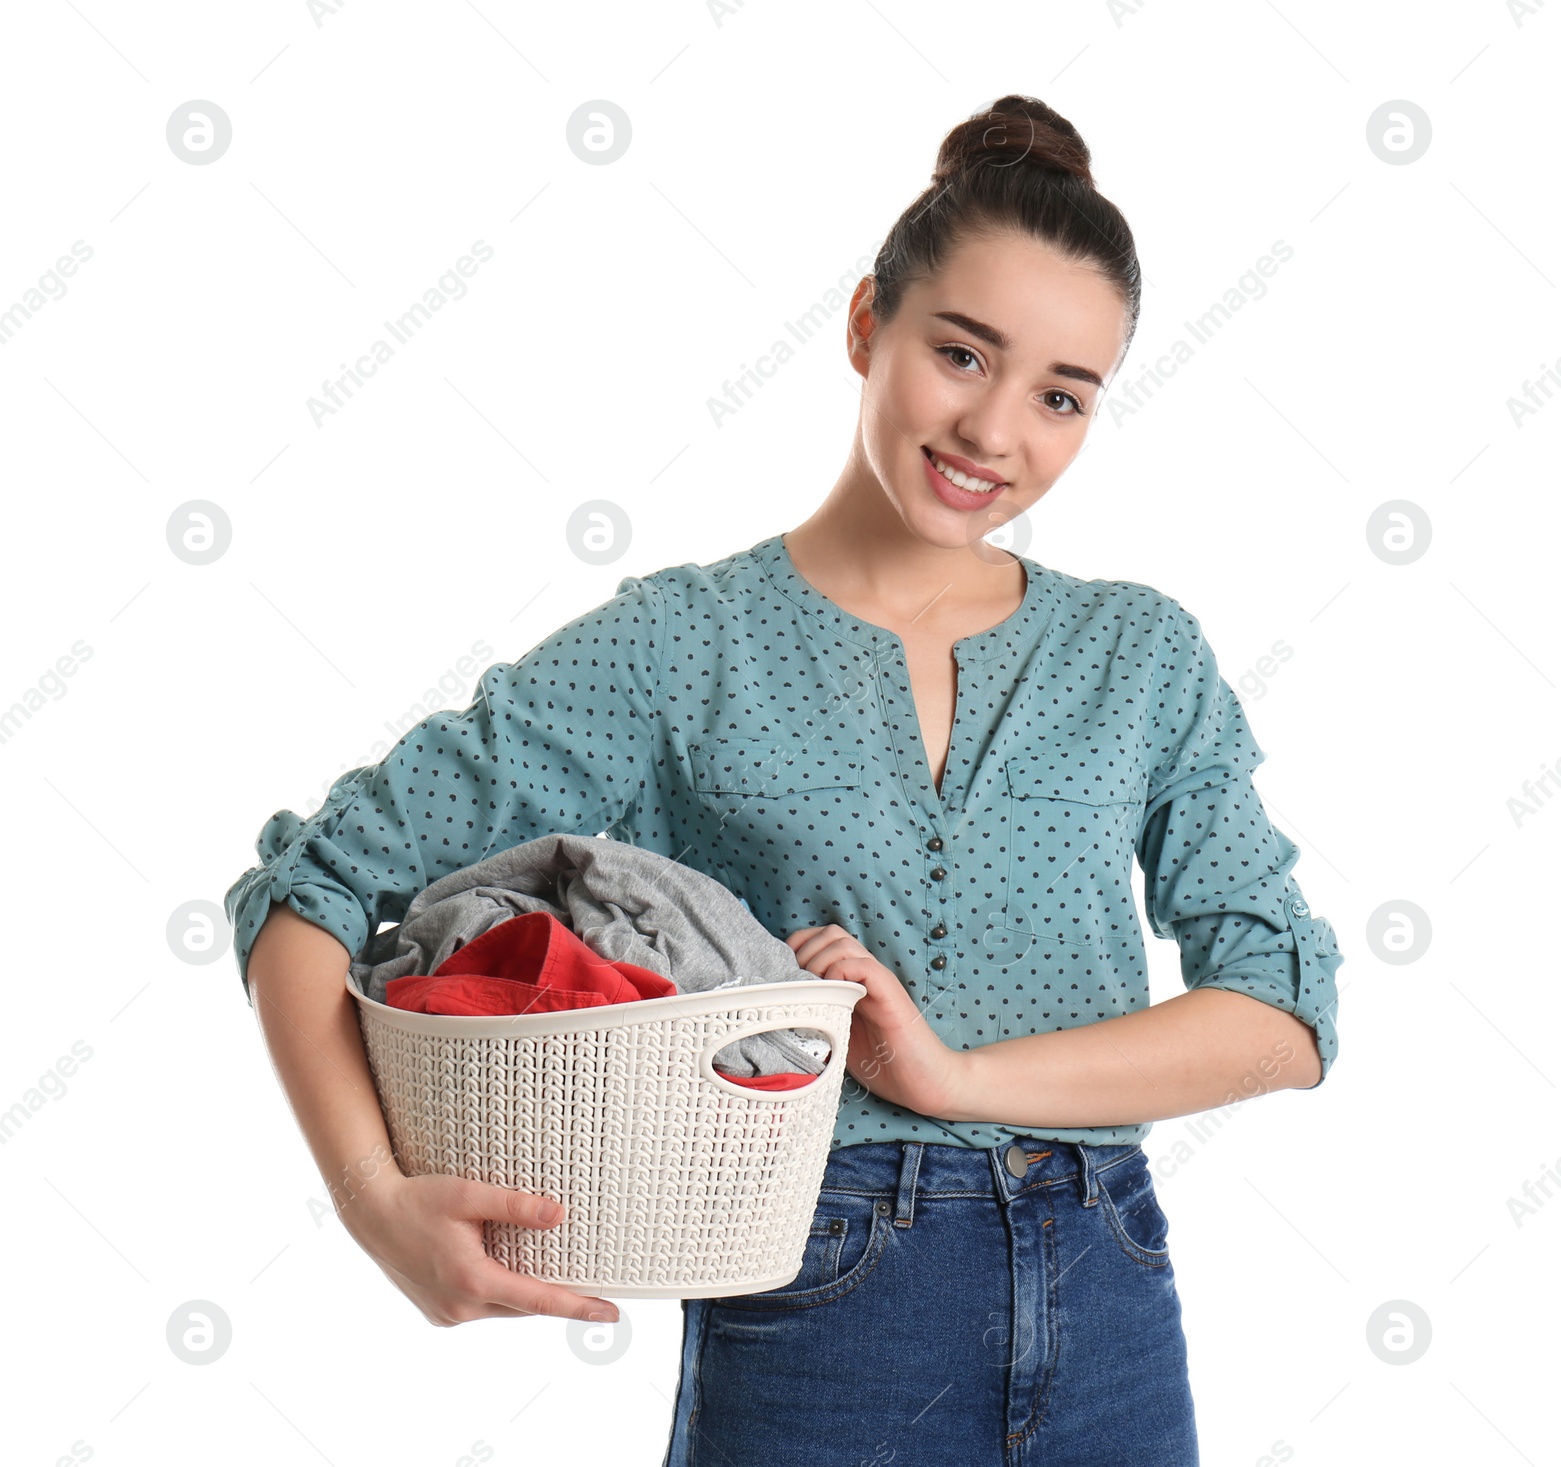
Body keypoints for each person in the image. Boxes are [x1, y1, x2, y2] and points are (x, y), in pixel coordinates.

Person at [227, 93, 1343, 1466]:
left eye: (1062, 395)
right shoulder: (683, 644)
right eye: (961, 353)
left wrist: (956, 1077)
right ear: (870, 322)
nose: (996, 430)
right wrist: (373, 1200)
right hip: (824, 1308)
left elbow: (1283, 1010)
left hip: (1112, 1292)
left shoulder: (1141, 654)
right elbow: (313, 889)